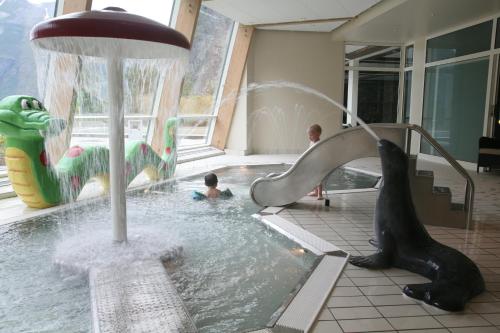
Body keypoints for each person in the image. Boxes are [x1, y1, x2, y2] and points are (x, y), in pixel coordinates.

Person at [307, 124, 324, 200]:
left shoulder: (319, 143)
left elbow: (321, 154)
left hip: (318, 164)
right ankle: (315, 191)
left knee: (319, 179)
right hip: (312, 164)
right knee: (313, 178)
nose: (309, 137)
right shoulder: (311, 143)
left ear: (318, 134)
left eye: (311, 135)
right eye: (309, 135)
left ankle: (320, 194)